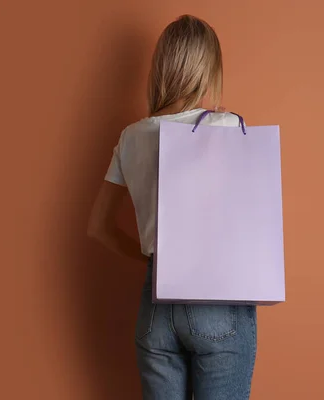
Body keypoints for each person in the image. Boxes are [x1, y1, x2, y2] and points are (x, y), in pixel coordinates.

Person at [88, 15, 257, 400]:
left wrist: (152, 259)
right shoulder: (227, 128)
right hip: (217, 301)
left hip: (155, 306)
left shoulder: (131, 137)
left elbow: (98, 226)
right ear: (207, 69)